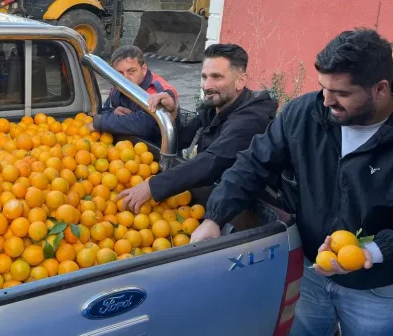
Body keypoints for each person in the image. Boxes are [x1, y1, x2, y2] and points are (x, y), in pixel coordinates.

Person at [191, 28, 393, 336]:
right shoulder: (306, 113)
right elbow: (254, 163)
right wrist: (215, 216)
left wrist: (369, 252)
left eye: (341, 93)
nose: (326, 100)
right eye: (323, 87)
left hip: (378, 286)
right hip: (311, 272)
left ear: (380, 89)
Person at [116, 44, 277, 213]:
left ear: (240, 81)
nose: (207, 86)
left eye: (216, 77)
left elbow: (213, 161)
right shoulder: (214, 107)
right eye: (204, 76)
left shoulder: (251, 119)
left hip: (255, 212)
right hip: (214, 197)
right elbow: (181, 140)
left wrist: (152, 187)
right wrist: (172, 115)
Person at [87, 45, 179, 145]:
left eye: (131, 71)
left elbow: (145, 124)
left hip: (158, 150)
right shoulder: (117, 87)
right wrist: (113, 112)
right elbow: (105, 110)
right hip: (126, 149)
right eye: (120, 73)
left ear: (143, 69)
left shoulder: (159, 91)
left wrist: (99, 123)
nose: (125, 77)